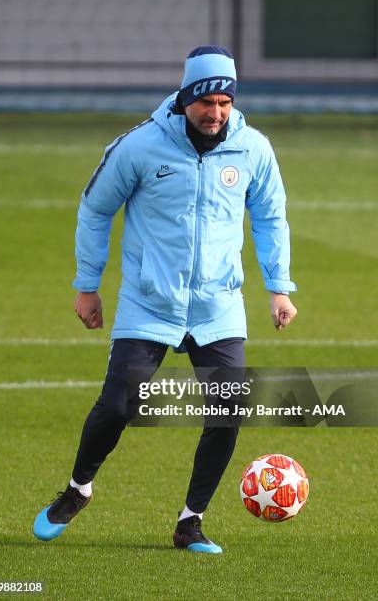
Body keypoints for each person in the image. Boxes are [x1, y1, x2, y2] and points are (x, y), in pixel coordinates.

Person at [33, 46, 297, 553]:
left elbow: (270, 218)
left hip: (218, 306)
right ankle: (78, 488)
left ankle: (190, 521)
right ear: (185, 98)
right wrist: (87, 285)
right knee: (117, 405)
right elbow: (95, 209)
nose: (215, 113)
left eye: (225, 102)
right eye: (206, 102)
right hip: (149, 302)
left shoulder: (253, 149)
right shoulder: (139, 146)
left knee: (227, 411)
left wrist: (278, 287)